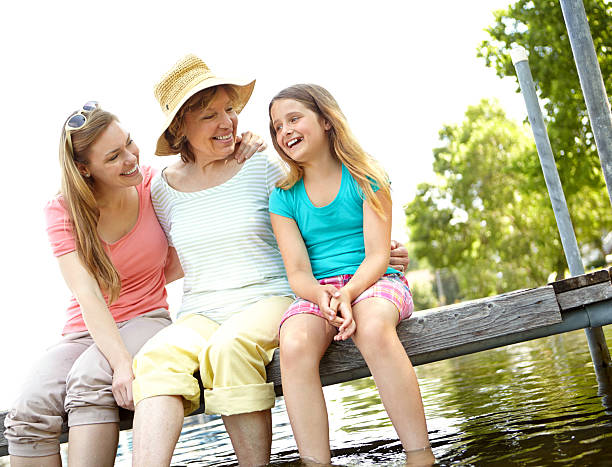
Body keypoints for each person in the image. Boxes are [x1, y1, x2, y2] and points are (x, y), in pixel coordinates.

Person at [130, 54, 411, 467]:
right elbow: (168, 259)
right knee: (153, 359)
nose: (227, 123)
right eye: (210, 115)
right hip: (200, 310)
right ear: (179, 129)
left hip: (269, 296)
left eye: (230, 110)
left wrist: (382, 249)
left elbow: (320, 205)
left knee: (229, 348)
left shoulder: (265, 164)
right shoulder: (161, 190)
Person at [2, 101, 263, 467]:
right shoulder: (62, 210)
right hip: (85, 329)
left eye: (129, 143)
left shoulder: (154, 185)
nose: (130, 158)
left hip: (146, 318)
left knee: (91, 380)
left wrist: (240, 146)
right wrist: (122, 363)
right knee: (28, 407)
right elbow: (88, 293)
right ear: (84, 169)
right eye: (113, 157)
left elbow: (202, 207)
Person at [268, 84, 434, 465]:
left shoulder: (366, 175)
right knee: (292, 344)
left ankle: (419, 454)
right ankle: (315, 461)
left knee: (372, 326)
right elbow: (296, 272)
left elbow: (378, 255)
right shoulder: (283, 196)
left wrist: (349, 292)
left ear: (325, 120)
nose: (285, 131)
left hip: (376, 281)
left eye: (294, 118)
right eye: (277, 126)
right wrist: (324, 296)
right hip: (318, 292)